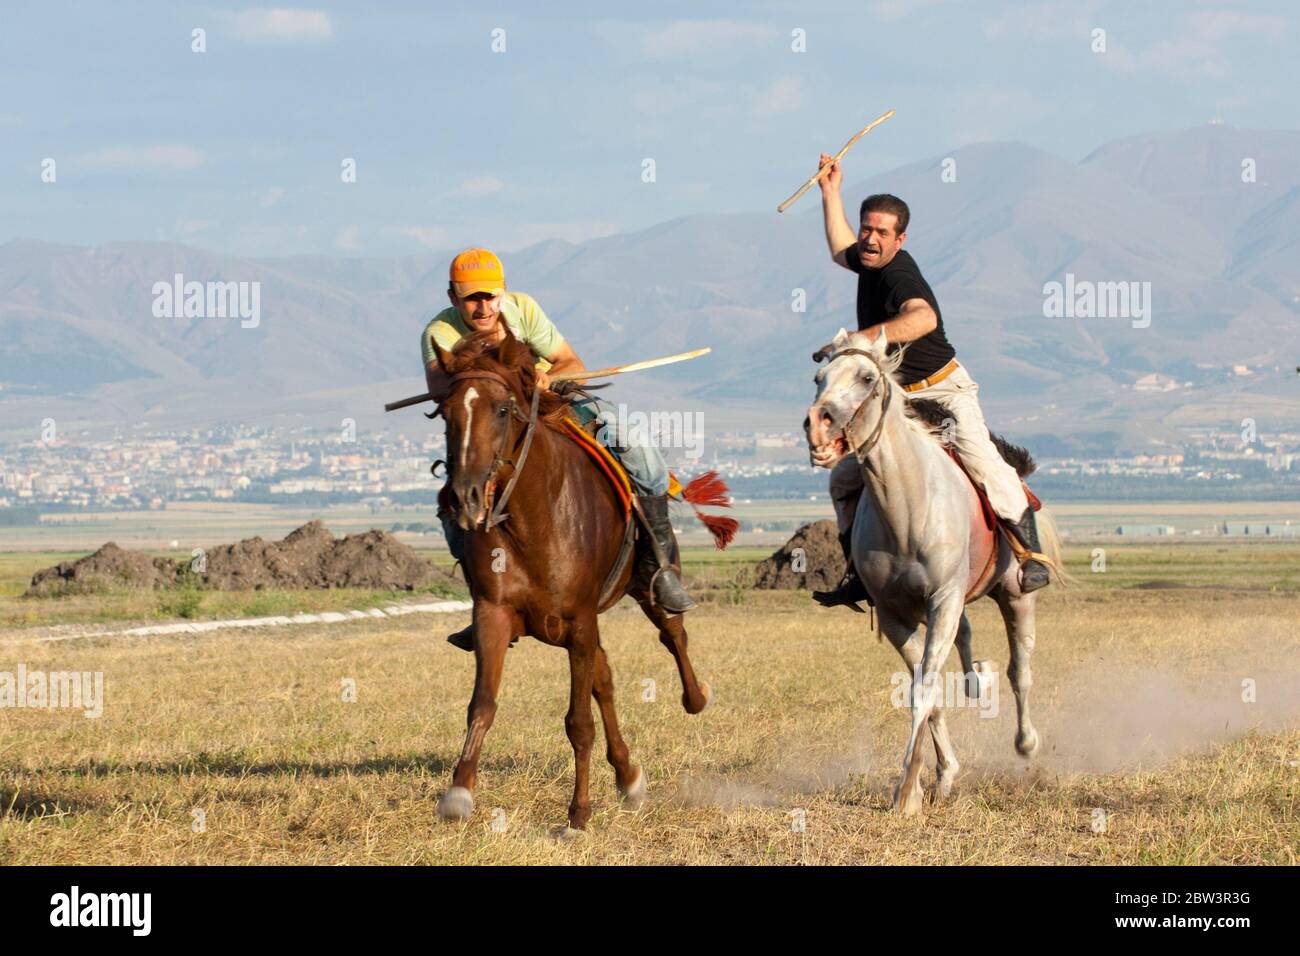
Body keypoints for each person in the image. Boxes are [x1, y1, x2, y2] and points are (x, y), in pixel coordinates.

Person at [421, 248, 695, 649]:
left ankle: (659, 567)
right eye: (471, 298)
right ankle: (483, 599)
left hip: (552, 406)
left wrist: (546, 378)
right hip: (493, 426)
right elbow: (443, 390)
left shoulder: (524, 310)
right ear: (453, 298)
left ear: (503, 293)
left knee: (637, 448)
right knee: (453, 500)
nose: (483, 307)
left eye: (490, 296)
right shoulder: (439, 334)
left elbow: (570, 362)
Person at [810, 154, 1051, 608]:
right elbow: (839, 248)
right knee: (845, 480)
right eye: (867, 229)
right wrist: (830, 192)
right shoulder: (867, 261)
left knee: (983, 462)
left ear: (900, 239)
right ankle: (860, 573)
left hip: (943, 388)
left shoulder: (899, 273)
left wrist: (865, 339)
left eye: (882, 232)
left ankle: (1030, 556)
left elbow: (923, 317)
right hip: (900, 398)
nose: (869, 238)